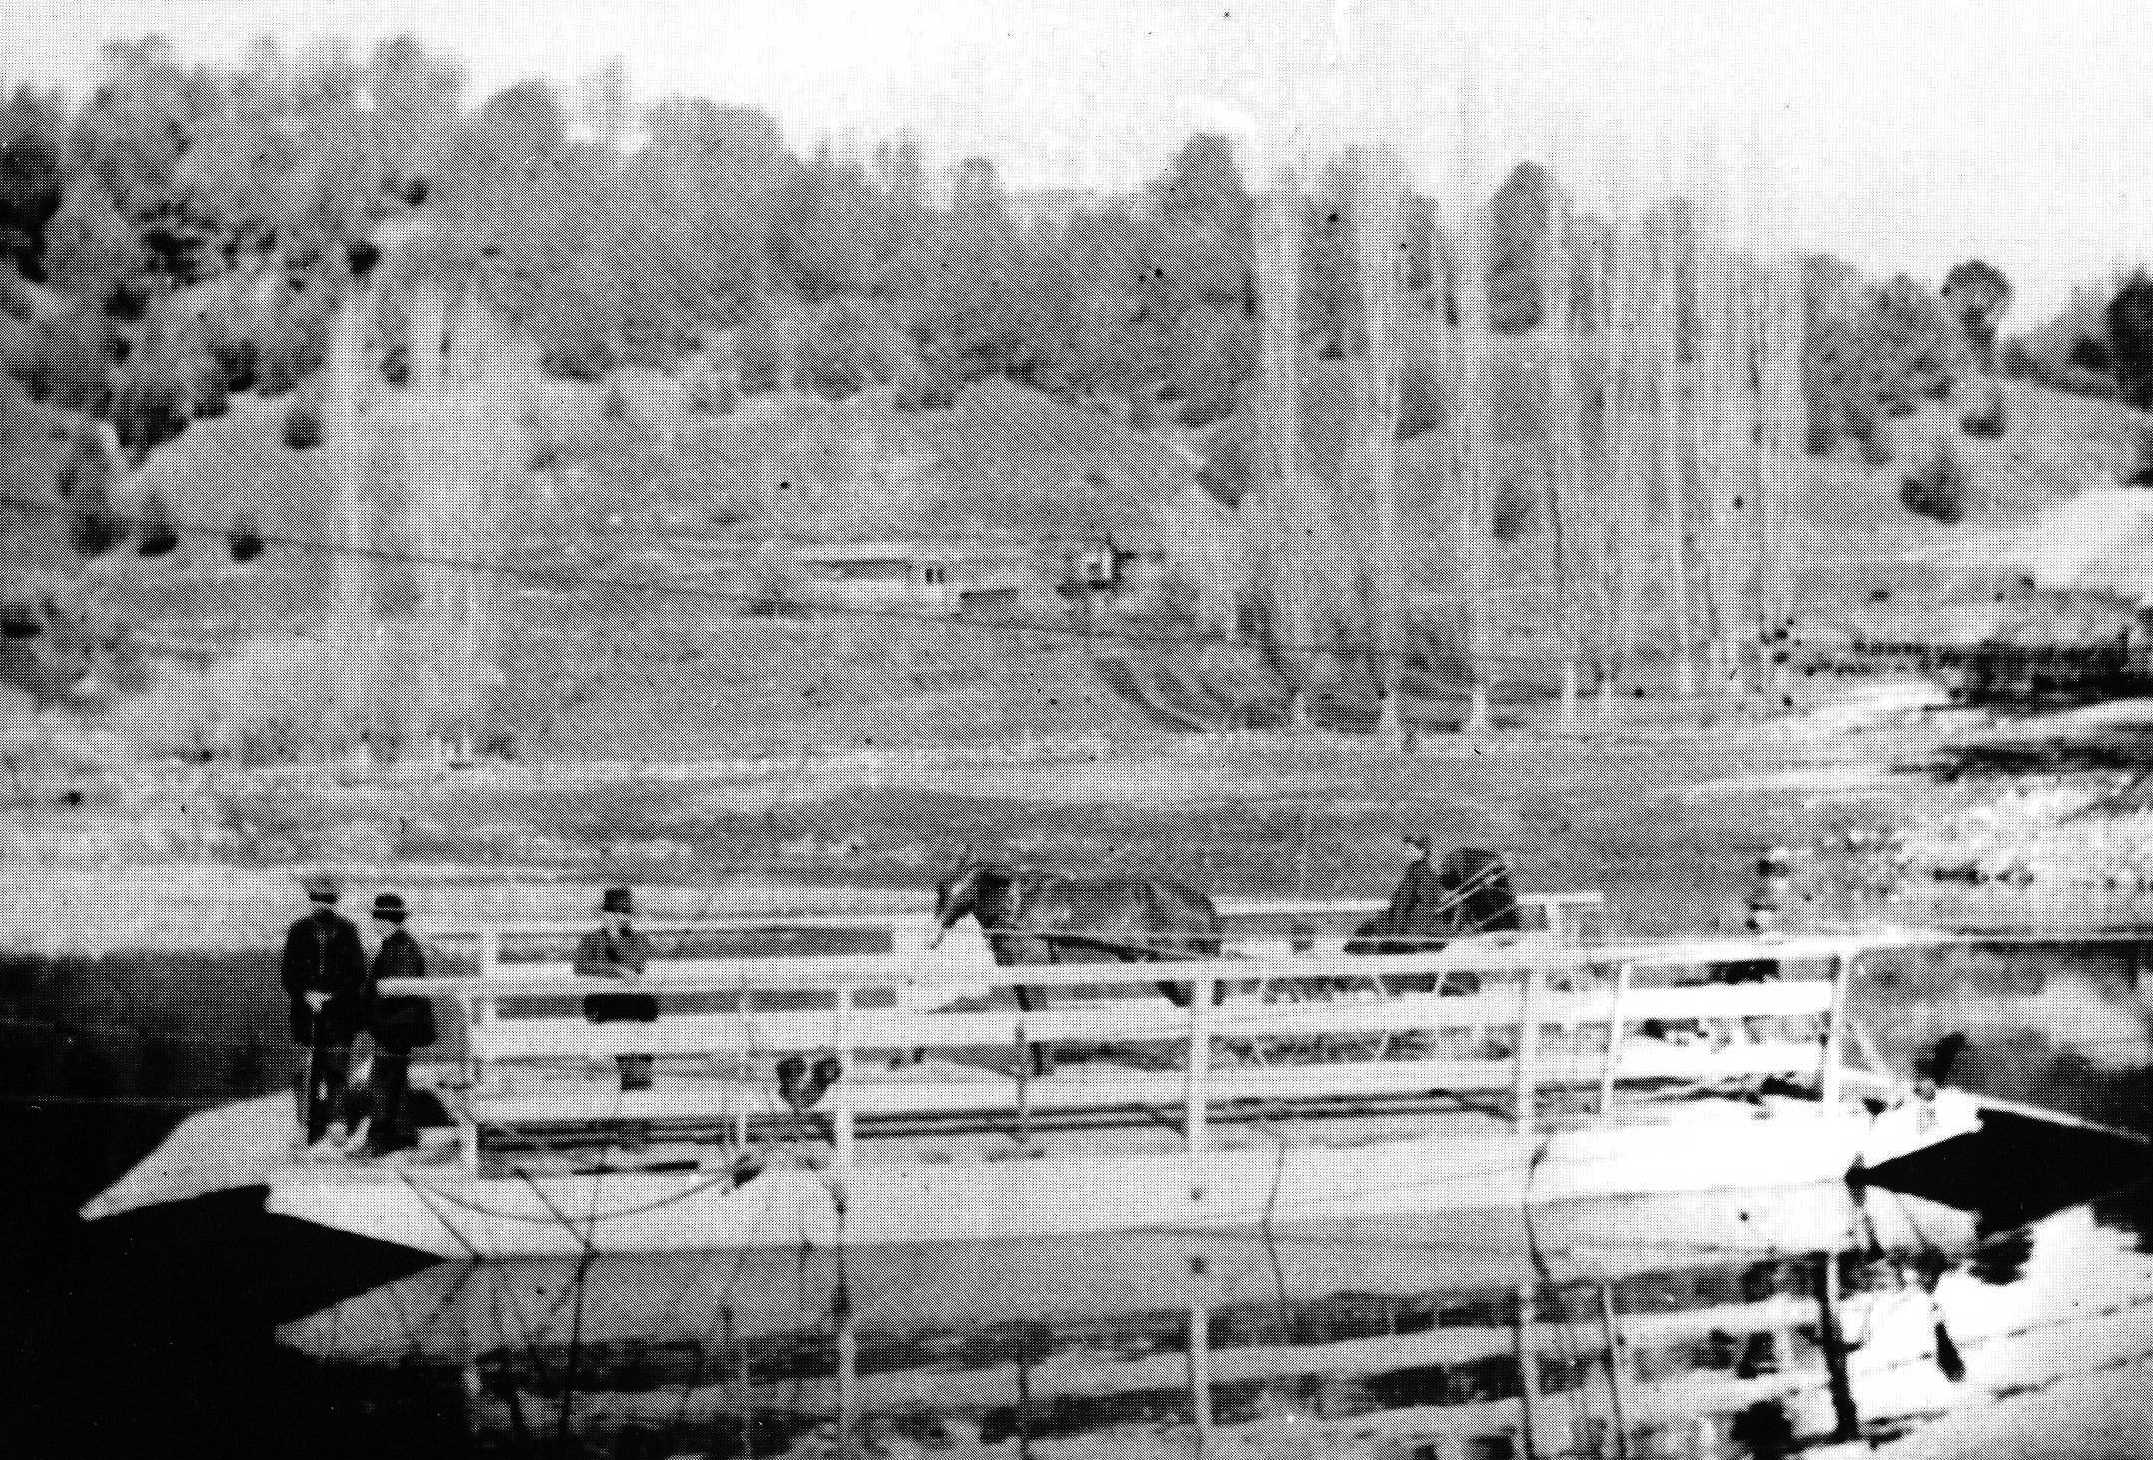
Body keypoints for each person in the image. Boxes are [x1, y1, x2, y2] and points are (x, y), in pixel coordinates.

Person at [280, 871, 368, 1145]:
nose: (323, 905)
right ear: (311, 901)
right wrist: (306, 993)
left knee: (337, 1068)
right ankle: (307, 1125)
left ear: (336, 901)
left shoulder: (349, 931)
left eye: (328, 900)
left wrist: (330, 996)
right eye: (318, 899)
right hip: (306, 1014)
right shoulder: (297, 931)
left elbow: (358, 974)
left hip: (340, 1014)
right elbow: (287, 974)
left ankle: (337, 1123)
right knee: (307, 1068)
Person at [358, 892, 435, 1156]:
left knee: (381, 1080)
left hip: (395, 1026)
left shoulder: (400, 948)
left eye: (376, 918)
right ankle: (404, 1133)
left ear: (384, 920)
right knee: (396, 1078)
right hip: (396, 1025)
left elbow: (398, 990)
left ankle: (379, 1139)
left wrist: (372, 1012)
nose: (373, 922)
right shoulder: (398, 945)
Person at [575, 886, 658, 1092]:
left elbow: (636, 965)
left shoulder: (638, 939)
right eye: (614, 913)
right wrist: (615, 969)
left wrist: (616, 940)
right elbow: (581, 966)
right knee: (618, 1045)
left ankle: (637, 1094)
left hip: (635, 1007)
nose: (619, 917)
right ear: (605, 914)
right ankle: (627, 1092)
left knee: (637, 1050)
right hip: (606, 1006)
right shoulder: (591, 939)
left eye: (624, 913)